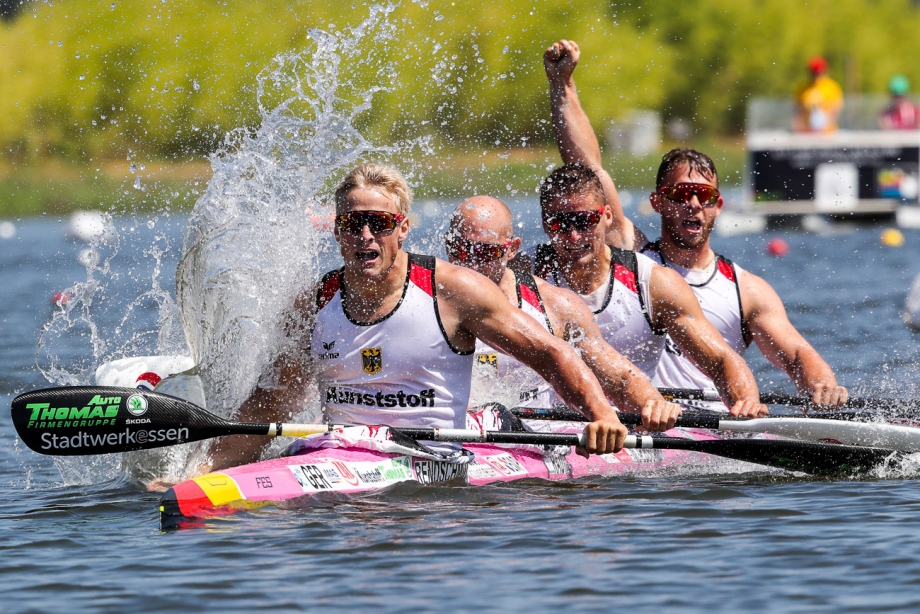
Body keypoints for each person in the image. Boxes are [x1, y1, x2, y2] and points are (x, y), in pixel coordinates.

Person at [205, 163, 627, 471]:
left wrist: (601, 416)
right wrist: (198, 477)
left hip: (435, 456)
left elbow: (550, 353)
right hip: (337, 457)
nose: (366, 236)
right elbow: (268, 405)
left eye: (380, 223)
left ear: (402, 228)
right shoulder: (314, 302)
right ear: (337, 232)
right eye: (353, 224)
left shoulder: (454, 290)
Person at [543, 39, 848, 410]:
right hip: (646, 417)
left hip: (716, 427)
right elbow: (590, 170)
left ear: (718, 206)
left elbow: (797, 353)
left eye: (704, 197)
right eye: (682, 193)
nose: (693, 205)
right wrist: (563, 86)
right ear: (657, 202)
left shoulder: (747, 290)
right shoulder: (633, 254)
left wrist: (822, 385)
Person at [446, 195, 682, 432]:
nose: (470, 263)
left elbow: (619, 381)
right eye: (460, 250)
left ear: (512, 250)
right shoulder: (423, 299)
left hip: (537, 442)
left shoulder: (559, 307)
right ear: (447, 244)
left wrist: (653, 405)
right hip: (454, 434)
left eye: (485, 252)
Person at [794, 56, 844, 133]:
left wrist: (828, 124)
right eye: (814, 73)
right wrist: (798, 126)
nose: (816, 76)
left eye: (818, 73)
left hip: (827, 131)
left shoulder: (831, 87)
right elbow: (797, 110)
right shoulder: (803, 88)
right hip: (807, 131)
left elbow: (836, 109)